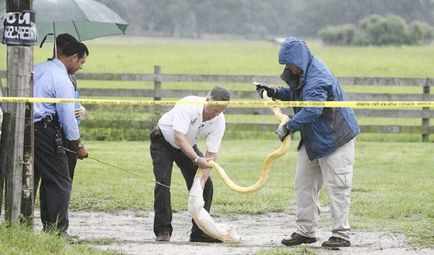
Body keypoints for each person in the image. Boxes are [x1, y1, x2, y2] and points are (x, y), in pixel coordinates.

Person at [256, 37, 360, 248]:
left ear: (299, 59)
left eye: (290, 63)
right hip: (313, 139)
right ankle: (306, 232)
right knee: (303, 186)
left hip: (335, 139)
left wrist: (287, 127)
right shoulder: (302, 71)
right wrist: (274, 92)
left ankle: (341, 234)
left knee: (337, 188)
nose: (288, 67)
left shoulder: (317, 77)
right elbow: (298, 95)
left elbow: (312, 109)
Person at [150, 86, 230, 243]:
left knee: (206, 186)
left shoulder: (219, 120)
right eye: (214, 109)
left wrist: (201, 180)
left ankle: (199, 232)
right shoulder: (188, 105)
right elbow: (179, 137)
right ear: (207, 100)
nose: (216, 114)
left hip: (187, 145)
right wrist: (197, 160)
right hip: (163, 141)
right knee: (163, 183)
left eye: (220, 111)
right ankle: (163, 230)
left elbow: (211, 155)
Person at [33, 41, 90, 234]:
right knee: (60, 180)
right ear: (73, 58)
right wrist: (77, 144)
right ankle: (57, 230)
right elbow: (67, 117)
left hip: (27, 128)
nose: (81, 67)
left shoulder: (38, 68)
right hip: (46, 130)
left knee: (40, 178)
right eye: (81, 62)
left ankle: (46, 226)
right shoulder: (62, 79)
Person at [53, 33, 86, 182]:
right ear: (59, 51)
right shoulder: (51, 74)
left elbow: (74, 98)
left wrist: (81, 108)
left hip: (70, 130)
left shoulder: (71, 75)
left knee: (68, 174)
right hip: (55, 130)